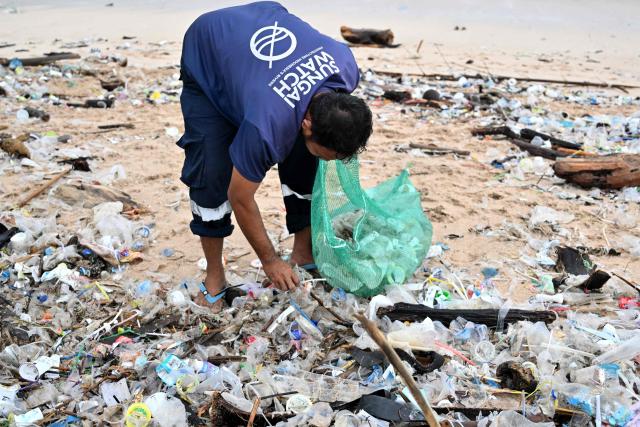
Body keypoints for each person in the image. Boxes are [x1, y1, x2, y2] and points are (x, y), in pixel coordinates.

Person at [178, 1, 373, 309]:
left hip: (260, 32)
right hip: (209, 50)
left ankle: (303, 252)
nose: (332, 162)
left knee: (306, 159)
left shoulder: (344, 66)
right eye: (331, 155)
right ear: (306, 122)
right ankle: (214, 276)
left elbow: (318, 135)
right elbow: (240, 197)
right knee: (210, 173)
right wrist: (269, 260)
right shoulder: (265, 126)